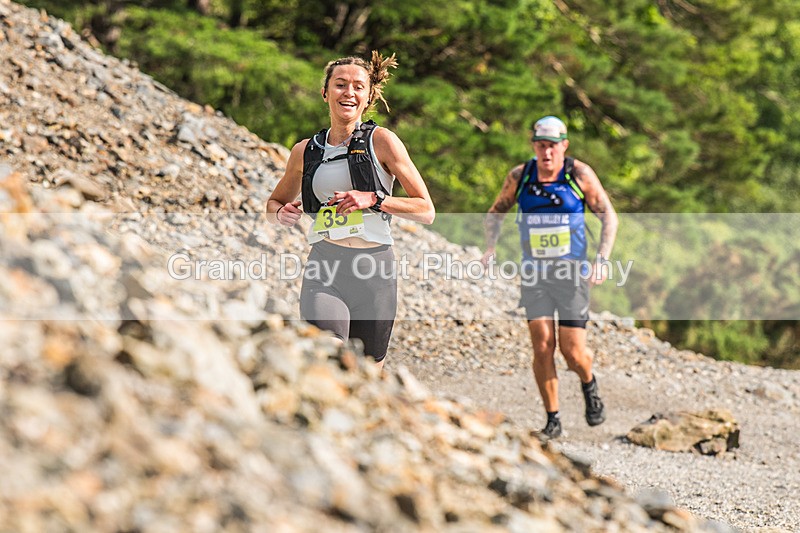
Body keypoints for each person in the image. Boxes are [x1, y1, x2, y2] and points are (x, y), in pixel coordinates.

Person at [267, 51, 435, 371]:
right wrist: (281, 214)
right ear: (325, 92)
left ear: (368, 96)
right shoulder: (305, 151)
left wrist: (373, 199)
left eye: (358, 87)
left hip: (375, 272)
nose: (349, 93)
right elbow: (273, 204)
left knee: (369, 377)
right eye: (341, 85)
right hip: (325, 269)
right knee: (327, 360)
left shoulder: (382, 141)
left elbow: (426, 210)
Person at [482, 116, 618, 439]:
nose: (546, 154)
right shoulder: (521, 176)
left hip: (571, 273)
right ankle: (553, 420)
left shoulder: (579, 174)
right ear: (534, 146)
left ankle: (588, 382)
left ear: (564, 146)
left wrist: (602, 259)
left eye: (552, 147)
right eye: (541, 146)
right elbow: (496, 211)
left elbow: (608, 216)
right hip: (534, 273)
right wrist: (490, 248)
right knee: (542, 346)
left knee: (573, 352)